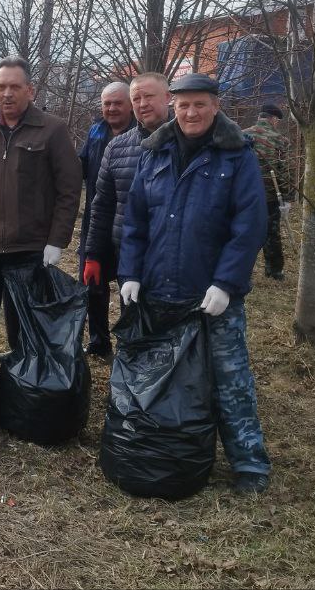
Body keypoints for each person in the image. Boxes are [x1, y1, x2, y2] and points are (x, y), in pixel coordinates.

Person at [117, 73, 272, 495]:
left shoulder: (236, 154)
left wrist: (226, 283)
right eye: (184, 105)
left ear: (215, 106)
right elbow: (135, 221)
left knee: (230, 378)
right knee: (153, 375)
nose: (191, 113)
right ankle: (158, 449)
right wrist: (129, 273)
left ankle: (249, 464)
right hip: (159, 289)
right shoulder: (155, 152)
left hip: (212, 296)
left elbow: (250, 225)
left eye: (200, 104)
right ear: (173, 105)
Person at [0, 55, 81, 351]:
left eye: (14, 86)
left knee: (22, 328)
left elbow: (69, 190)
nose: (7, 93)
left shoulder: (52, 130)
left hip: (30, 250)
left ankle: (18, 390)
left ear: (30, 90)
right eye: (1, 87)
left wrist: (56, 241)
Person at [82, 73, 171, 355]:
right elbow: (101, 203)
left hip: (171, 253)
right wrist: (93, 253)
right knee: (130, 314)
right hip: (125, 249)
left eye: (149, 97)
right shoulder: (111, 143)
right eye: (137, 98)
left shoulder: (188, 142)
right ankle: (127, 366)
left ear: (168, 98)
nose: (143, 104)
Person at [77, 82, 134, 357]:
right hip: (95, 222)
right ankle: (99, 343)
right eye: (106, 103)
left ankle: (128, 343)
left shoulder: (142, 133)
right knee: (92, 287)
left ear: (131, 104)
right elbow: (82, 165)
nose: (111, 108)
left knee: (129, 290)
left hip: (127, 226)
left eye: (117, 103)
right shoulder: (96, 130)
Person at [244, 104, 294, 280]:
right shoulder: (280, 140)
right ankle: (274, 271)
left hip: (243, 194)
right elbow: (283, 171)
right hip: (269, 195)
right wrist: (287, 198)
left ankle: (242, 270)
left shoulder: (242, 135)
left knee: (243, 231)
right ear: (273, 119)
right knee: (271, 233)